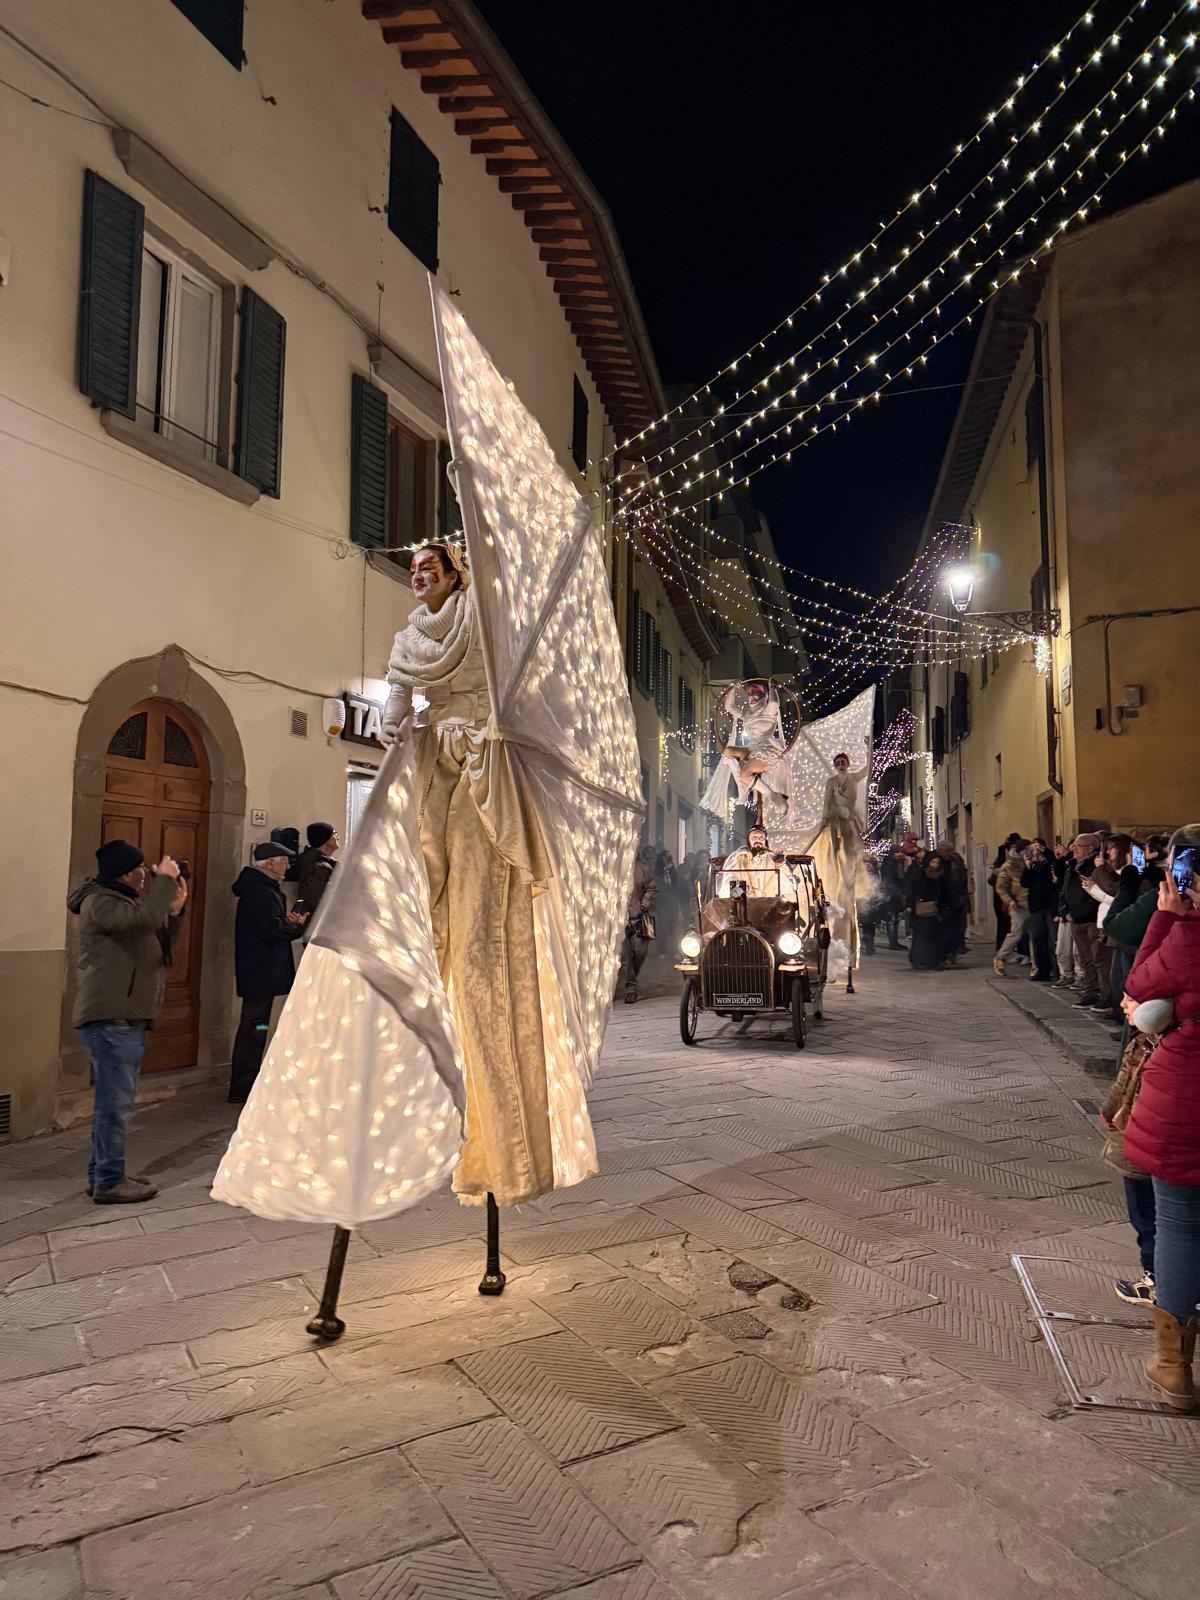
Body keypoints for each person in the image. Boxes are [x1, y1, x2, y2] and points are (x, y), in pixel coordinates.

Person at [1119, 825, 1200, 1410]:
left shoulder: (1189, 938)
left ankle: (1174, 1367)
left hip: (1188, 1092)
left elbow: (1139, 983)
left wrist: (1168, 918)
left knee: (1179, 1224)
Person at [68, 840, 186, 1203]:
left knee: (114, 1101)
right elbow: (144, 921)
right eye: (141, 870)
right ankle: (108, 1180)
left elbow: (154, 940)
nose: (144, 876)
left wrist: (176, 912)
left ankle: (103, 1172)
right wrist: (165, 881)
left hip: (123, 1017)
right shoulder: (100, 902)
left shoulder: (122, 902)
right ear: (126, 872)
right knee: (114, 1104)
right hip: (110, 1018)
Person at [230, 841, 307, 1103]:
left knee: (257, 1025)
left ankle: (247, 1081)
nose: (287, 865)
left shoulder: (263, 889)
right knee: (255, 1026)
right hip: (260, 971)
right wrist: (295, 927)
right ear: (270, 863)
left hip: (260, 971)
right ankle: (244, 1085)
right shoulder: (260, 892)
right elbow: (272, 930)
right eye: (283, 860)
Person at [1059, 831, 1111, 1012]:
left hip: (1090, 919)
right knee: (1084, 958)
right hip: (1075, 919)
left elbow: (1096, 895)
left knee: (1099, 959)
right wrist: (1065, 911)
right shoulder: (1072, 866)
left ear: (1090, 849)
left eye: (1078, 846)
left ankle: (1104, 994)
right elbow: (1064, 891)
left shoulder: (1094, 868)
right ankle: (1090, 992)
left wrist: (1076, 913)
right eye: (1073, 846)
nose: (1073, 849)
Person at [993, 839, 1031, 976]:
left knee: (1035, 935)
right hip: (1018, 904)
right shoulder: (1008, 866)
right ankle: (1000, 958)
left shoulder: (1033, 863)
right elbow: (1001, 887)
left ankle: (1036, 965)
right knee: (1016, 933)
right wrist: (1009, 901)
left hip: (1034, 904)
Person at [1022, 838, 1058, 982]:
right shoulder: (1033, 866)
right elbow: (1024, 882)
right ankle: (1042, 971)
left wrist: (1046, 853)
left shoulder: (1051, 863)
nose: (1035, 853)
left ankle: (1056, 970)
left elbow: (1056, 870)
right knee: (1038, 940)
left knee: (1052, 941)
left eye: (1037, 850)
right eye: (1033, 850)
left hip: (1050, 906)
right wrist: (1028, 867)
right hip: (1036, 907)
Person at [906, 850, 949, 970]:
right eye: (933, 862)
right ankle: (918, 960)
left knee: (934, 936)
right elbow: (910, 890)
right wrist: (909, 905)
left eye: (937, 862)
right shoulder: (918, 874)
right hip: (920, 908)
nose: (935, 865)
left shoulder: (940, 875)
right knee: (920, 936)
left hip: (934, 908)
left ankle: (932, 961)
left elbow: (943, 892)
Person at [293, 822, 340, 922]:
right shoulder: (318, 867)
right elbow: (317, 900)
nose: (337, 837)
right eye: (334, 834)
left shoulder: (318, 863)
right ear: (326, 841)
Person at [936, 841, 969, 962]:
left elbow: (962, 879)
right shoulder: (935, 861)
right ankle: (942, 955)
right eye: (947, 851)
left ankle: (952, 953)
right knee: (944, 929)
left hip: (956, 898)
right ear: (940, 851)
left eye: (950, 851)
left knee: (957, 928)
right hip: (942, 900)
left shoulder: (956, 860)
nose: (949, 854)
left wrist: (964, 897)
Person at [1052, 841, 1079, 987]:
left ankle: (1080, 977)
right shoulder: (1066, 865)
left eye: (1076, 847)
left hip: (1078, 912)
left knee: (1078, 951)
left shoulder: (1079, 865)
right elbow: (1061, 884)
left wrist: (1068, 856)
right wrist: (1059, 859)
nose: (1074, 850)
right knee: (1062, 947)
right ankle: (1065, 974)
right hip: (1065, 911)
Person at [880, 848, 908, 949]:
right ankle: (893, 943)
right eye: (897, 852)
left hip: (895, 894)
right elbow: (890, 881)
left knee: (894, 919)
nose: (899, 854)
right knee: (891, 919)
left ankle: (894, 942)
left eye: (900, 852)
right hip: (890, 895)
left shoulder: (898, 863)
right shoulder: (889, 864)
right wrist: (899, 893)